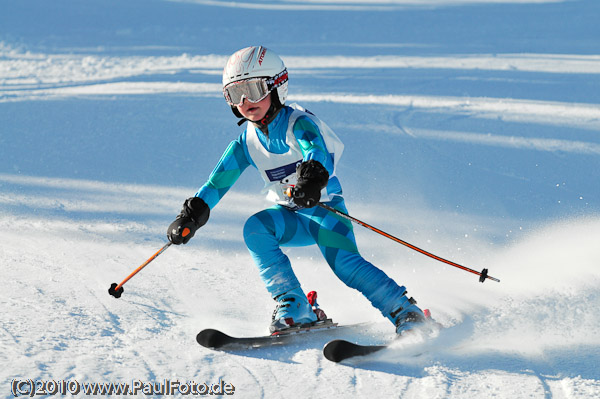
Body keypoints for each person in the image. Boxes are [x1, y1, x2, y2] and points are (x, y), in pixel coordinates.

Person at [167, 46, 426, 334]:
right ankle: (294, 304)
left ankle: (405, 311)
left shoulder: (298, 123)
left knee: (345, 265)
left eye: (253, 90)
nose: (245, 101)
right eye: (234, 94)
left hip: (323, 211)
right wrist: (192, 215)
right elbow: (217, 183)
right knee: (255, 228)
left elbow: (317, 151)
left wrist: (311, 181)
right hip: (289, 217)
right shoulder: (245, 142)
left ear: (277, 86)